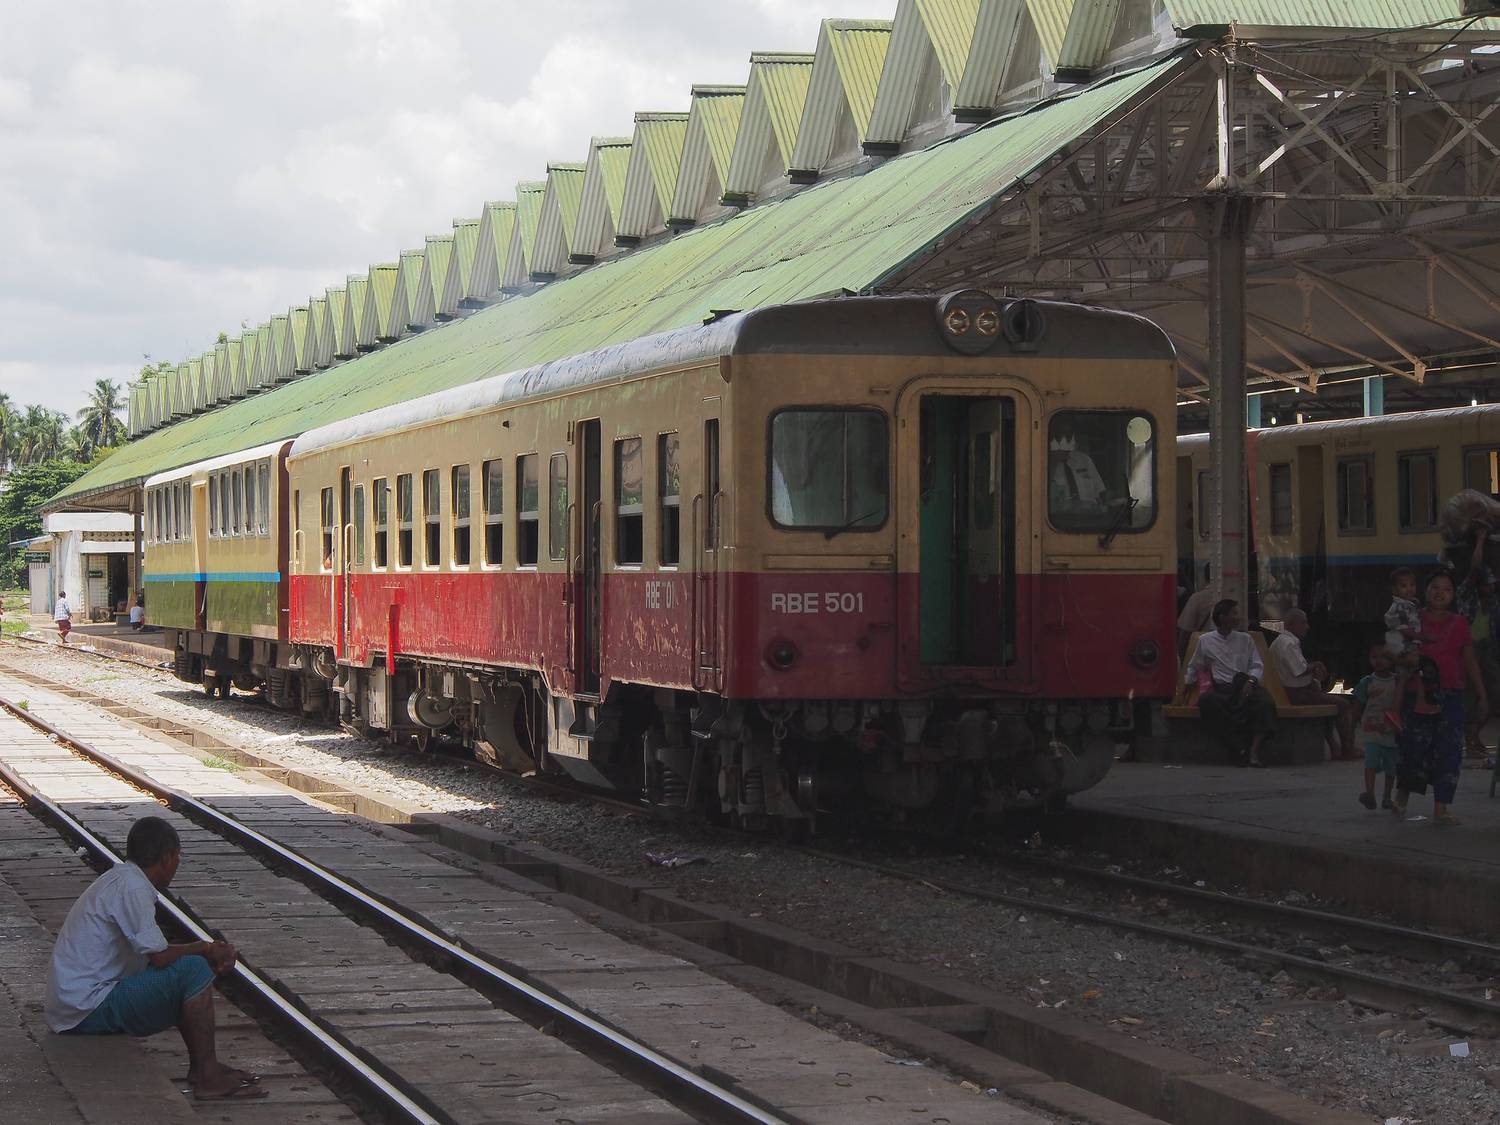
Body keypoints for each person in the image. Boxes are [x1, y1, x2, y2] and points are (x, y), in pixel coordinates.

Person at [45, 816, 264, 1101]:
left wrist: (203, 950)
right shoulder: (133, 888)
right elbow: (160, 957)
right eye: (177, 856)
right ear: (165, 858)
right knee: (192, 970)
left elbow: (154, 951)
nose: (177, 862)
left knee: (185, 972)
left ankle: (202, 1066)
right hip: (85, 1007)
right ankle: (207, 1077)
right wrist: (205, 948)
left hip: (75, 1003)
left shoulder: (125, 879)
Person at [1393, 572, 1487, 826]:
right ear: (1425, 591)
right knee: (1413, 746)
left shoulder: (1460, 624)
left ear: (1453, 595)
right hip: (1417, 692)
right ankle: (1402, 796)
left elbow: (1468, 659)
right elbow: (1393, 650)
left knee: (1448, 751)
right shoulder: (1412, 618)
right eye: (1435, 587)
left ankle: (1441, 807)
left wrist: (1481, 695)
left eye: (1447, 589)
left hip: (1451, 695)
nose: (1440, 592)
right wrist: (1405, 660)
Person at [1184, 599, 1276, 767]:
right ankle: (1237, 746)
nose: (1237, 617)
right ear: (1222, 617)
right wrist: (1186, 689)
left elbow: (1256, 665)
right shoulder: (1205, 640)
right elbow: (1195, 666)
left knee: (1265, 703)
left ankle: (1254, 751)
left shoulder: (1245, 639)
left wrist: (1251, 681)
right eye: (1233, 613)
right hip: (1224, 689)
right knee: (1208, 703)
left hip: (1246, 685)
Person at [1268, 608, 1357, 758]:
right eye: (1303, 622)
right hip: (1296, 693)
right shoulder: (1287, 643)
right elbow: (1299, 670)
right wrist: (1316, 665)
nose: (1307, 626)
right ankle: (1347, 749)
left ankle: (1335, 746)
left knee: (1330, 703)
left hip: (1302, 690)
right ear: (1291, 624)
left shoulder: (1287, 642)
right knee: (1343, 704)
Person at [1455, 529, 1500, 757]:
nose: (1491, 588)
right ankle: (1470, 739)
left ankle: (1473, 734)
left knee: (1493, 696)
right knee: (1471, 697)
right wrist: (1481, 539)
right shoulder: (1467, 595)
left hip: (1486, 652)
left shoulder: (1492, 604)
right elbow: (1474, 569)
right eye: (1487, 584)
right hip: (1467, 652)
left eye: (1493, 584)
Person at [1351, 645, 1401, 810]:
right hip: (1371, 729)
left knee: (1391, 766)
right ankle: (1370, 794)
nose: (1378, 661)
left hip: (1391, 729)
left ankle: (1387, 797)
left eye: (1384, 657)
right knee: (1370, 762)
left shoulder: (1397, 681)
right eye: (1374, 657)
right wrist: (1354, 722)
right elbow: (1358, 704)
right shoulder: (1367, 682)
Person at [1385, 567, 1434, 717]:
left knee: (1410, 675)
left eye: (1412, 585)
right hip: (1404, 645)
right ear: (1395, 589)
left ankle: (1415, 703)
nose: (1409, 589)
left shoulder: (1409, 604)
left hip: (1405, 645)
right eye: (1404, 586)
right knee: (1410, 674)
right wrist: (1423, 638)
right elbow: (1405, 630)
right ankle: (1398, 709)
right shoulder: (1401, 607)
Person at [1177, 565, 1216, 656]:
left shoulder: (1197, 598)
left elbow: (1185, 633)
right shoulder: (1233, 599)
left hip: (1202, 652)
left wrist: (1181, 658)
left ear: (1205, 577)